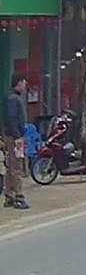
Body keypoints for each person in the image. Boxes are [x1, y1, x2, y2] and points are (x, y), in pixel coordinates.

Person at [2, 73, 30, 209]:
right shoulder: (14, 99)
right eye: (24, 83)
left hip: (12, 135)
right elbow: (11, 119)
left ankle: (9, 195)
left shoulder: (11, 97)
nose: (25, 86)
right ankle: (19, 196)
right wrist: (18, 136)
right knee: (16, 166)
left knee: (11, 167)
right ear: (19, 83)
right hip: (14, 137)